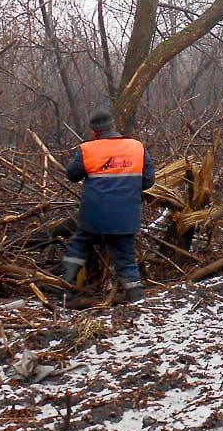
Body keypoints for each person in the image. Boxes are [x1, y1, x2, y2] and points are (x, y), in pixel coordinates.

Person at [61, 108, 156, 303]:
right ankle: (135, 298)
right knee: (126, 257)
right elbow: (148, 181)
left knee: (78, 246)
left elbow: (71, 175)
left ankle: (65, 292)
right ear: (113, 126)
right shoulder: (137, 147)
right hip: (126, 215)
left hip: (93, 215)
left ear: (94, 131)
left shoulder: (87, 149)